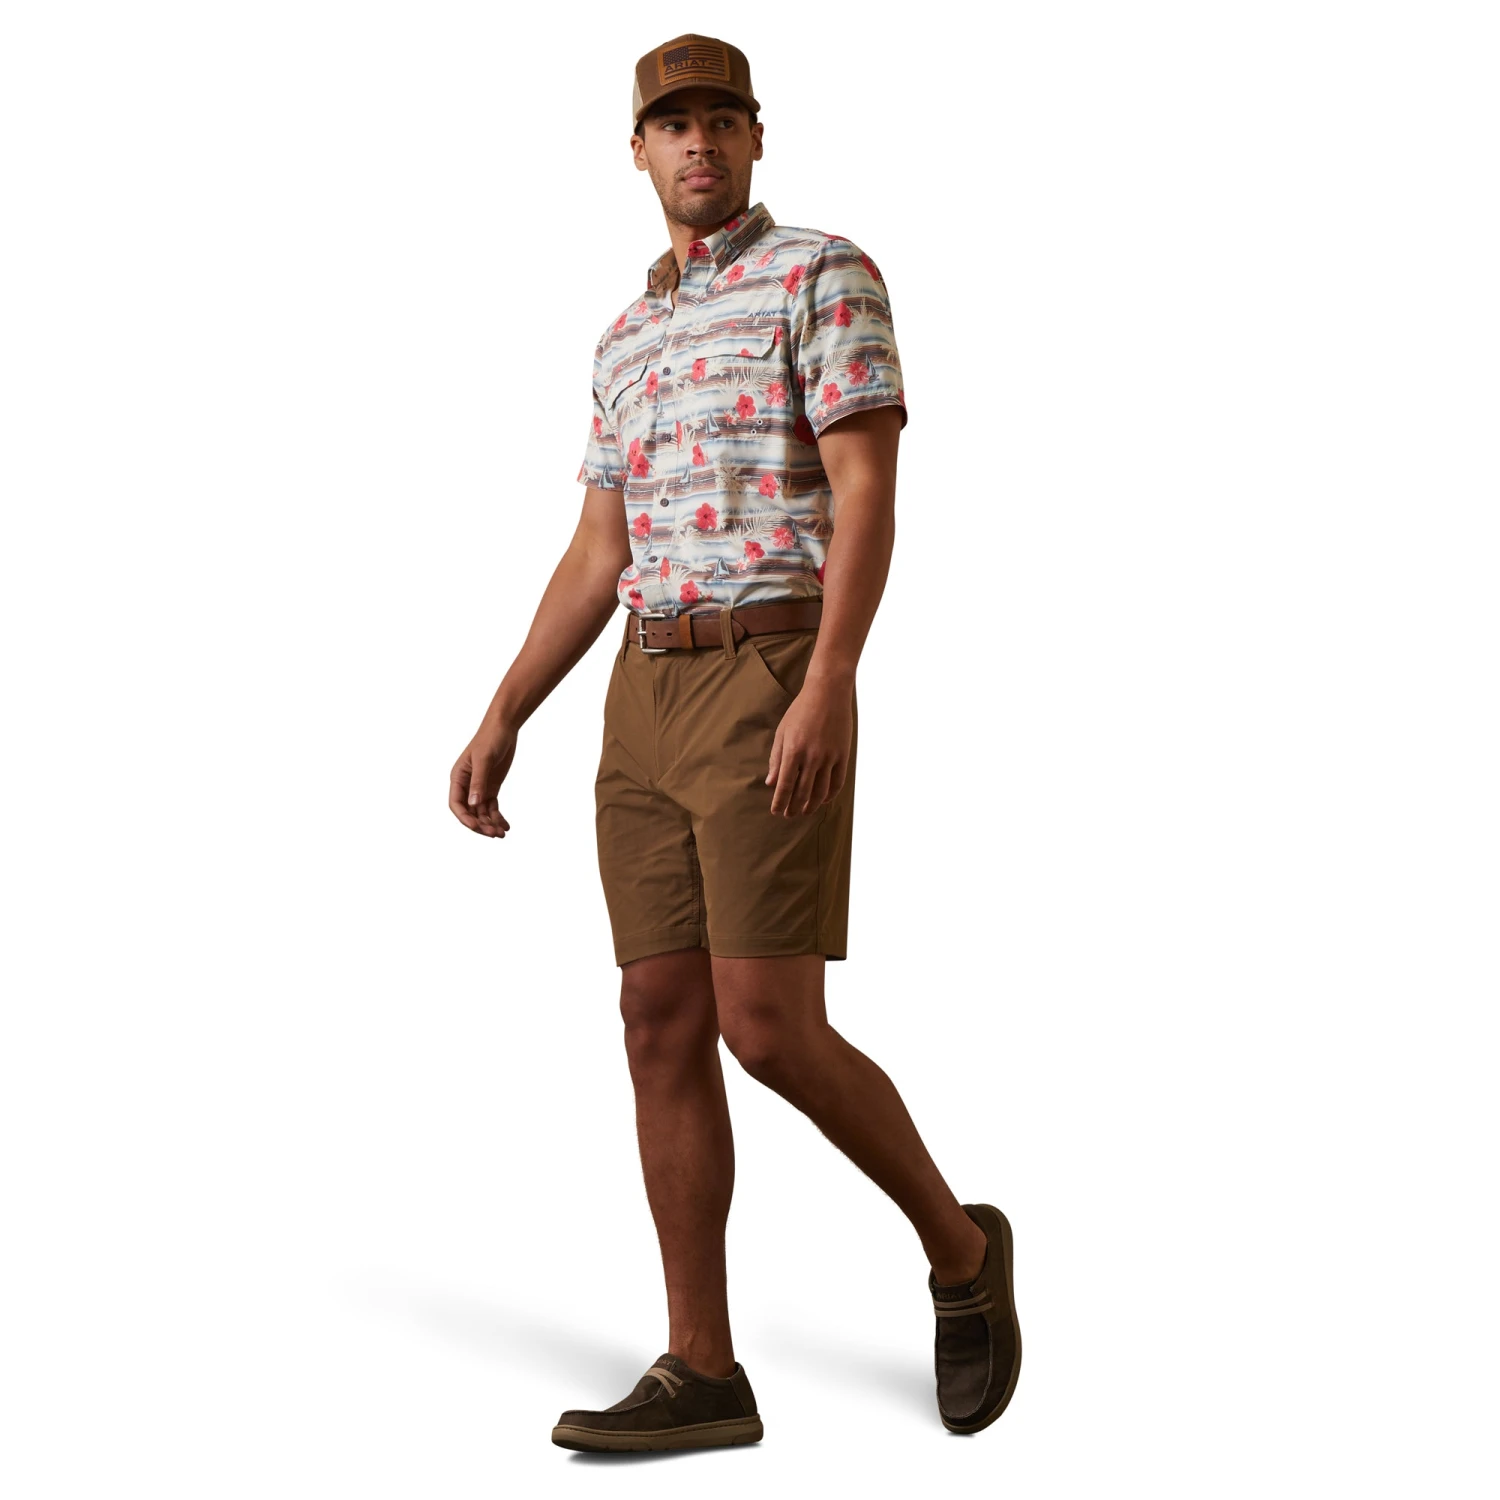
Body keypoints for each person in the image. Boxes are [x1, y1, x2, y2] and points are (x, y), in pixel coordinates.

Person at [449, 32, 1021, 1452]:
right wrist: (506, 708)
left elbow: (866, 488)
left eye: (720, 120)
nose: (696, 143)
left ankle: (962, 1251)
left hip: (772, 669)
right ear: (638, 152)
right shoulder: (623, 337)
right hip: (642, 691)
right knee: (657, 1019)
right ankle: (702, 1366)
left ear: (756, 137)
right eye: (672, 125)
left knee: (767, 1026)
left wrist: (831, 676)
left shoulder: (824, 274)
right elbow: (599, 549)